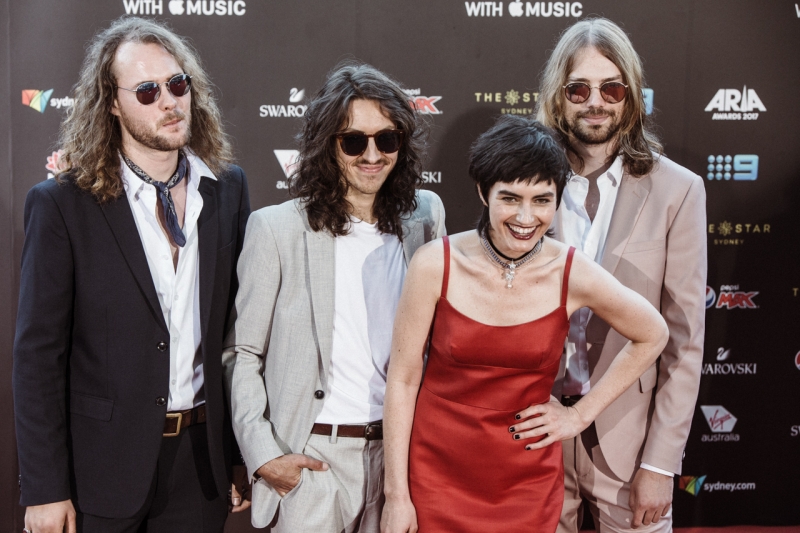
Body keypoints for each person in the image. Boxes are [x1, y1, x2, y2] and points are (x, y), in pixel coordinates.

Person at [13, 17, 251, 533]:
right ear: (112, 103)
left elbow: (231, 337)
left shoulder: (227, 189)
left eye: (177, 84)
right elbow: (38, 358)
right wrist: (45, 489)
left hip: (200, 467)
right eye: (146, 91)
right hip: (99, 470)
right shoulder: (62, 205)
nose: (169, 101)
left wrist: (233, 456)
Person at [380, 115, 669, 533]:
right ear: (484, 192)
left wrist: (580, 415)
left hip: (526, 479)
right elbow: (403, 380)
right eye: (510, 198)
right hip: (435, 471)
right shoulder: (435, 264)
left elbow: (653, 333)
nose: (526, 217)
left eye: (542, 199)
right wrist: (396, 496)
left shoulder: (570, 271)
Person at [222, 62, 446, 532]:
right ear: (328, 146)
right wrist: (265, 456)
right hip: (311, 462)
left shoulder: (424, 217)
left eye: (386, 139)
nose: (372, 155)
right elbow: (242, 353)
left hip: (400, 459)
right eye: (353, 141)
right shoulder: (277, 228)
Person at [536, 18, 707, 532]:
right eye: (579, 88)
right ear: (558, 96)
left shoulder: (679, 191)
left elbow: (685, 339)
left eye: (612, 88)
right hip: (536, 439)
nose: (596, 101)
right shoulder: (524, 183)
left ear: (631, 97)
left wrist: (659, 464)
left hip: (629, 449)